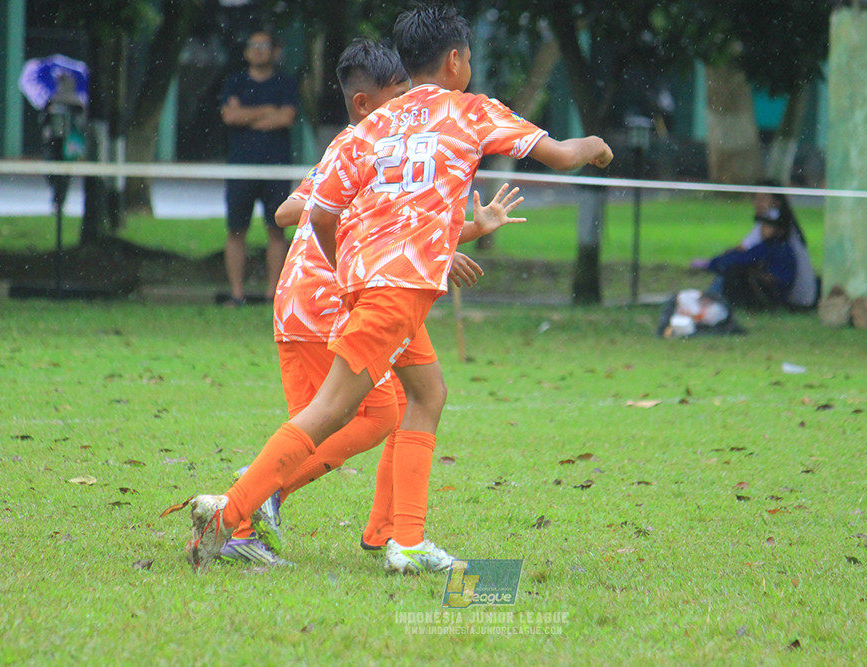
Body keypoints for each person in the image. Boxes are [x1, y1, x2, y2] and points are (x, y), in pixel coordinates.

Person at [185, 5, 612, 575]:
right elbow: (560, 154)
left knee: (426, 395)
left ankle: (404, 541)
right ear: (456, 60)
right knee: (331, 412)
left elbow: (317, 214)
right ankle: (231, 513)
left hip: (368, 286)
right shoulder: (472, 111)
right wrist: (597, 147)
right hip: (395, 293)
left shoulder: (368, 129)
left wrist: (348, 272)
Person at [216, 38, 524, 567]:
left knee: (405, 403)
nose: (411, 107)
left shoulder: (385, 144)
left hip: (352, 292)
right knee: (341, 415)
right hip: (327, 298)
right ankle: (250, 501)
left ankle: (390, 534)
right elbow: (295, 213)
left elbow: (406, 225)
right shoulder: (362, 145)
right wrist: (357, 219)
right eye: (400, 95)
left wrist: (465, 231)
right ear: (366, 104)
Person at [219, 29, 298, 306]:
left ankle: (273, 294)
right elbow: (229, 116)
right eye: (254, 45)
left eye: (265, 45)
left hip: (276, 167)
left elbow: (286, 118)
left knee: (276, 229)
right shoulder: (235, 81)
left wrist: (247, 116)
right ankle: (237, 293)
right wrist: (266, 111)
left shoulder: (285, 83)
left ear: (274, 51)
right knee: (236, 230)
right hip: (241, 167)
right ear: (245, 51)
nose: (259, 50)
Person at [692, 182, 818, 309]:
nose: (758, 203)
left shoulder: (773, 246)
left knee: (733, 271)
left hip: (787, 298)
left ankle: (708, 300)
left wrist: (713, 263)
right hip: (789, 295)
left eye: (763, 198)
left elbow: (742, 257)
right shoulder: (780, 242)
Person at [704, 208, 797, 309]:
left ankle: (709, 300)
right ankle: (710, 299)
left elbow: (738, 259)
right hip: (775, 297)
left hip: (769, 297)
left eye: (768, 225)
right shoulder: (784, 248)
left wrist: (715, 262)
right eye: (763, 224)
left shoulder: (771, 248)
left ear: (781, 230)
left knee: (733, 271)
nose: (762, 228)